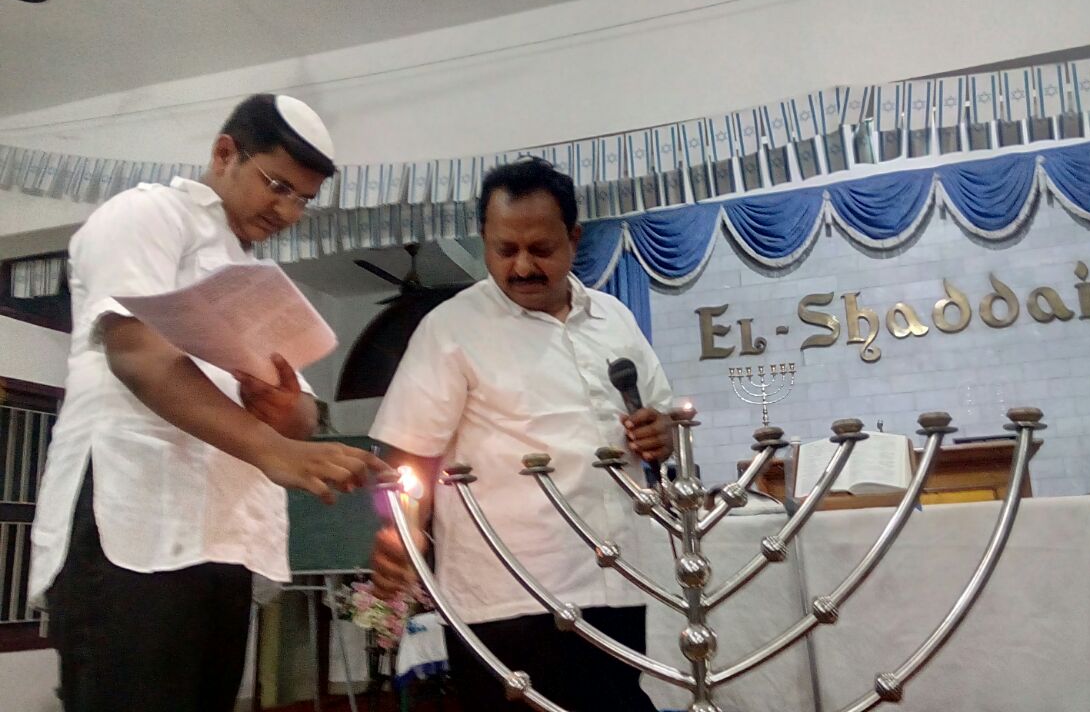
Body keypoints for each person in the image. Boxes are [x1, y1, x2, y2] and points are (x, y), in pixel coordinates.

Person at [28, 94, 387, 712]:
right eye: (278, 186)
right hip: (131, 523)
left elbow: (302, 413)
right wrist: (271, 448)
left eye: (303, 199)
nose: (288, 211)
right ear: (225, 154)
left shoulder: (248, 274)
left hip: (222, 538)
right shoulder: (147, 214)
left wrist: (285, 413)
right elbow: (137, 355)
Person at [368, 158, 673, 711]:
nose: (523, 267)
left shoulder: (614, 318)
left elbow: (661, 414)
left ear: (574, 238)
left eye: (541, 249)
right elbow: (410, 454)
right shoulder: (451, 329)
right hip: (509, 594)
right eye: (505, 250)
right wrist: (403, 532)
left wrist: (662, 431)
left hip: (618, 577)